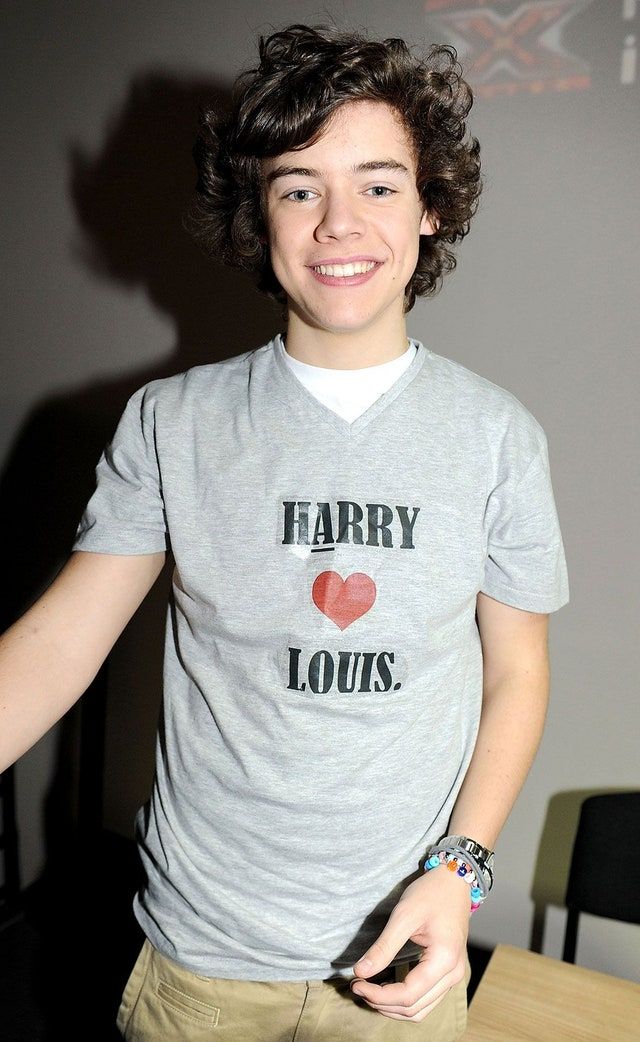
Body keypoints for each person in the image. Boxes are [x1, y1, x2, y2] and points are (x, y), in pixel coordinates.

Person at [0, 22, 569, 1042]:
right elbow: (55, 648)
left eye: (379, 184)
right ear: (258, 217)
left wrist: (460, 870)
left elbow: (516, 674)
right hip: (200, 961)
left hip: (405, 948)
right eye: (299, 186)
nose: (338, 222)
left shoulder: (497, 439)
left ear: (431, 207)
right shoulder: (171, 424)